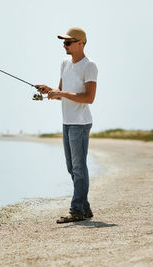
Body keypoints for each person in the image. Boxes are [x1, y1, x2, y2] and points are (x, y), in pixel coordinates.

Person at [35, 27, 98, 223]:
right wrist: (50, 91)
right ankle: (85, 208)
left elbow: (89, 98)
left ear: (80, 43)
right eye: (64, 42)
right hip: (67, 122)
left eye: (68, 42)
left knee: (79, 168)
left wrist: (62, 94)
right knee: (72, 168)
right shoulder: (64, 64)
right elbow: (61, 92)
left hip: (80, 123)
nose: (64, 45)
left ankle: (76, 210)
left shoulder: (90, 66)